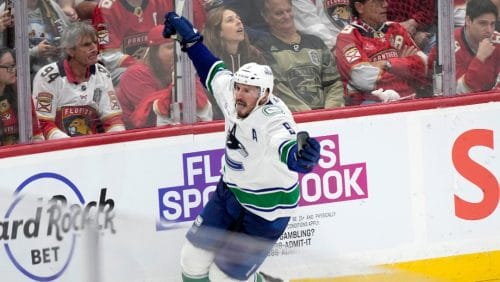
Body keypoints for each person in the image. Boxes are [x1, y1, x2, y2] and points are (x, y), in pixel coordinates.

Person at [163, 11, 321, 281]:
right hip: (230, 193)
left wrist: (302, 158)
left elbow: (287, 149)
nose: (239, 94)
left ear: (265, 95)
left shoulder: (274, 120)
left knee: (222, 278)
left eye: (248, 90)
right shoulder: (232, 92)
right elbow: (211, 69)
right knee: (191, 261)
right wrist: (190, 40)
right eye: (239, 87)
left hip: (266, 211)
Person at [32, 21, 125, 139]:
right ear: (70, 50)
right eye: (86, 45)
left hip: (94, 147)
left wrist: (119, 141)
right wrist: (73, 147)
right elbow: (44, 124)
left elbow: (113, 119)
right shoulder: (47, 77)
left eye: (95, 42)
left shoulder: (102, 73)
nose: (94, 48)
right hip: (60, 150)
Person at [254, 0, 344, 112]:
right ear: (266, 17)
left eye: (288, 10)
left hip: (328, 116)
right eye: (279, 13)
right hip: (293, 118)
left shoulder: (316, 43)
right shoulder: (262, 48)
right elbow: (278, 88)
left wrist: (329, 112)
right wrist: (308, 116)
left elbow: (333, 83)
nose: (286, 16)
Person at [335, 0, 429, 105]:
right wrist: (405, 69)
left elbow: (424, 66)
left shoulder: (396, 28)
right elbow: (363, 78)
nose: (385, 5)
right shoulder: (348, 37)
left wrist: (387, 64)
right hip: (370, 105)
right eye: (377, 1)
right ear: (359, 7)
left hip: (409, 100)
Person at [117, 25, 212, 129]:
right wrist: (178, 85)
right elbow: (151, 115)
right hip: (134, 138)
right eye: (170, 47)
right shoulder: (135, 74)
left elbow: (199, 100)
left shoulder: (182, 70)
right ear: (154, 52)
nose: (177, 52)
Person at [202, 6, 266, 119]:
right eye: (230, 20)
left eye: (238, 19)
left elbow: (268, 88)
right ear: (219, 32)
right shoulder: (209, 61)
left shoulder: (253, 54)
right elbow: (209, 100)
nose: (238, 22)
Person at [90, 0, 173, 85]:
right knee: (137, 76)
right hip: (119, 68)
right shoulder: (106, 8)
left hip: (154, 63)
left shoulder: (160, 2)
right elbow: (108, 56)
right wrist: (144, 65)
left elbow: (170, 39)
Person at [429, 0, 499, 94]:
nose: (489, 30)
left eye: (492, 24)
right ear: (468, 21)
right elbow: (458, 92)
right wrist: (479, 59)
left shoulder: (498, 43)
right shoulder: (447, 49)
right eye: (483, 23)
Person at [0, 47, 44, 145]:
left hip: (20, 156)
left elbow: (36, 133)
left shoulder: (21, 92)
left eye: (13, 65)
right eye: (7, 66)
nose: (12, 70)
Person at [27, 0, 71, 81]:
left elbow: (68, 34)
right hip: (29, 75)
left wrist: (60, 47)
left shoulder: (50, 5)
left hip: (57, 67)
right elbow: (5, 54)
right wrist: (35, 52)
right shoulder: (9, 10)